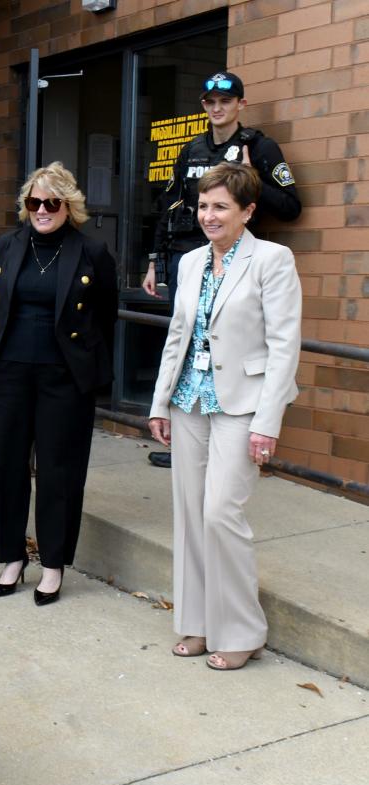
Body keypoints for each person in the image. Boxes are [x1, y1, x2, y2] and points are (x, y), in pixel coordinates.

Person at [148, 163, 301, 671]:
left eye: (220, 207)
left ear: (248, 211)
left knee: (220, 514)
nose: (208, 215)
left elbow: (284, 346)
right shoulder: (190, 262)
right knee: (190, 517)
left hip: (243, 404)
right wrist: (159, 402)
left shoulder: (272, 260)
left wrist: (268, 421)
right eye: (203, 205)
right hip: (189, 399)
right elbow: (178, 335)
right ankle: (197, 622)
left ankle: (242, 630)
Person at [142, 71, 301, 468]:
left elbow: (292, 206)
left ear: (240, 105)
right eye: (210, 102)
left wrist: (255, 179)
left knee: (224, 349)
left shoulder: (258, 147)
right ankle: (185, 439)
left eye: (225, 102)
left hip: (237, 266)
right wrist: (153, 260)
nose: (217, 108)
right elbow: (170, 206)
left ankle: (232, 446)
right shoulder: (191, 149)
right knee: (186, 342)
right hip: (189, 259)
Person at [0, 163, 119, 606]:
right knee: (6, 465)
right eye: (34, 202)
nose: (41, 210)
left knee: (60, 471)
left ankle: (54, 564)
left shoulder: (91, 252)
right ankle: (12, 557)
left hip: (64, 377)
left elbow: (105, 317)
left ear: (68, 206)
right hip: (8, 373)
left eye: (51, 202)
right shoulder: (7, 246)